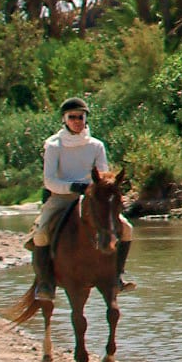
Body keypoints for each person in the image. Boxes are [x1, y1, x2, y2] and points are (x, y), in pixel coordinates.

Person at [32, 98, 133, 300]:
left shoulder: (96, 145)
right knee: (41, 234)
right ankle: (45, 283)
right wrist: (73, 186)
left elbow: (103, 175)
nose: (77, 121)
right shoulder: (53, 145)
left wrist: (99, 189)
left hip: (92, 197)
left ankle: (117, 276)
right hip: (61, 196)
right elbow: (49, 180)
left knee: (128, 229)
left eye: (81, 117)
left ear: (86, 119)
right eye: (72, 117)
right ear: (64, 119)